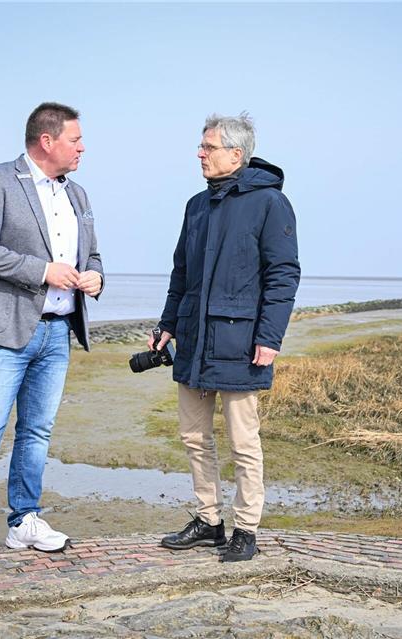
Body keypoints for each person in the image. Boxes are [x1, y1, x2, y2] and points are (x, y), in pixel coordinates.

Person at [0, 102, 103, 577]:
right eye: (76, 139)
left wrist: (94, 278)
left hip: (57, 334)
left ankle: (24, 520)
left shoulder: (80, 194)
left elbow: (94, 255)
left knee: (37, 433)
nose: (82, 147)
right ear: (47, 141)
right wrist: (43, 271)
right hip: (4, 330)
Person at [151, 113, 300, 562]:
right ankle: (210, 520)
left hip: (242, 341)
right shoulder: (196, 205)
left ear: (236, 154)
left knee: (243, 441)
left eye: (208, 147)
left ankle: (246, 529)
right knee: (194, 436)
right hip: (195, 339)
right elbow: (181, 273)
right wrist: (167, 324)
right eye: (201, 146)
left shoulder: (270, 204)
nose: (200, 153)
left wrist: (270, 336)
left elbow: (283, 275)